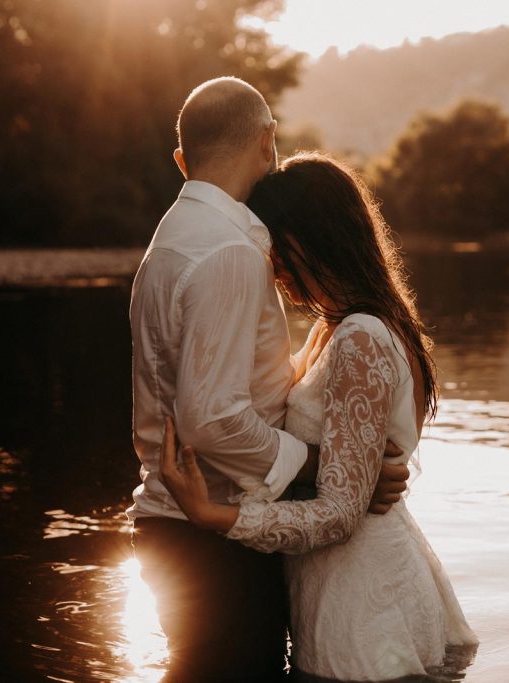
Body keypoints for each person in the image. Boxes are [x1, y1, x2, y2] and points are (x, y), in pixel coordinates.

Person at [125, 78, 409, 682]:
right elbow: (213, 418)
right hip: (212, 533)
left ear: (183, 160)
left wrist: (345, 471)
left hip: (177, 520)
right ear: (268, 141)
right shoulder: (229, 251)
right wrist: (323, 466)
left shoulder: (169, 241)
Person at [158, 152, 480, 681]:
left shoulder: (360, 337)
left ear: (315, 237)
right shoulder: (336, 330)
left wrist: (213, 515)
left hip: (361, 602)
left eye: (278, 245)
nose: (271, 262)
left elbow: (339, 514)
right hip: (343, 584)